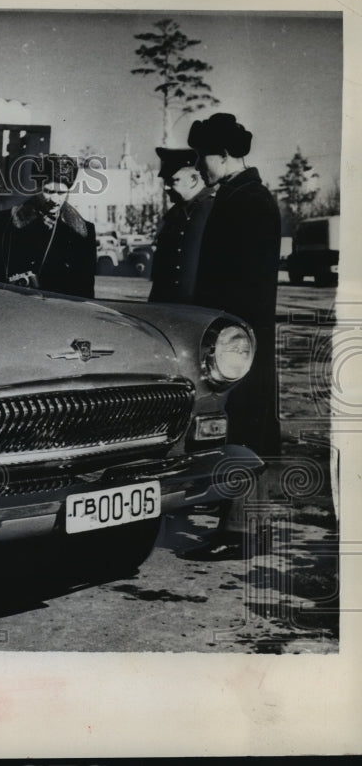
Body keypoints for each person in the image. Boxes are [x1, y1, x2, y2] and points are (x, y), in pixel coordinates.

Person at [184, 113, 282, 559]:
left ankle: (244, 533)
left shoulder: (248, 200)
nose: (199, 166)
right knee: (241, 423)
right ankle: (239, 525)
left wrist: (222, 331)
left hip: (239, 336)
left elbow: (244, 280)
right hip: (236, 334)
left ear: (222, 156)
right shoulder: (244, 195)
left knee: (245, 425)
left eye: (202, 157)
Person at [0, 154, 96, 298]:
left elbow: (85, 294)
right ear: (37, 187)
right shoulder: (4, 222)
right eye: (49, 191)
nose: (55, 200)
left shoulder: (83, 232)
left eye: (62, 192)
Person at [148, 148, 214, 304]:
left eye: (172, 181)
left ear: (193, 180)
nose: (166, 187)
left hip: (201, 310)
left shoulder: (215, 210)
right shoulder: (174, 215)